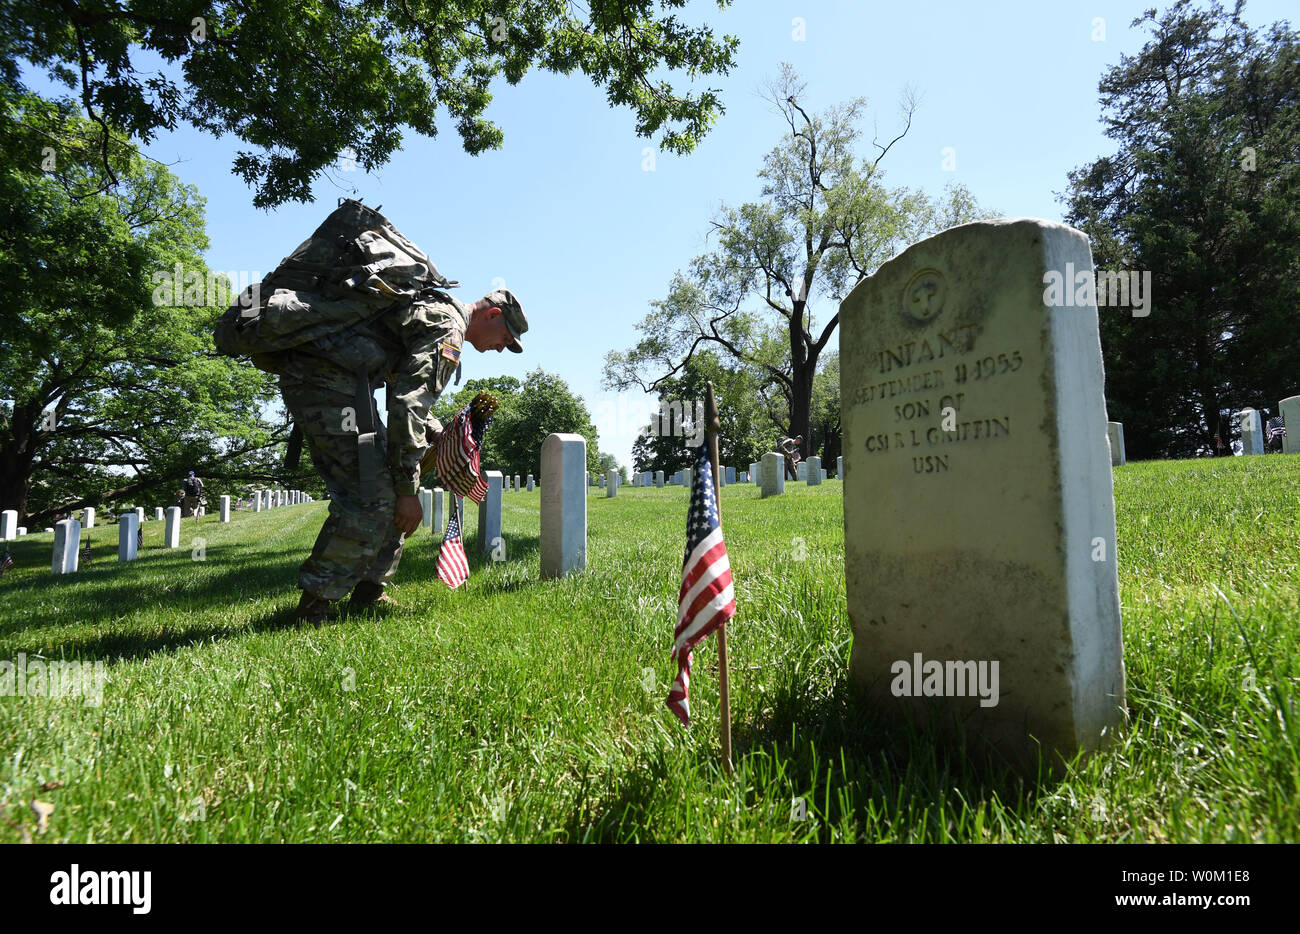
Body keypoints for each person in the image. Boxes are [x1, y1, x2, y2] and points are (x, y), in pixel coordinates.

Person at [278, 287, 527, 625]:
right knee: (375, 495)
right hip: (327, 386)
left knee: (389, 489)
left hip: (339, 387)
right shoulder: (449, 330)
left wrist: (436, 431)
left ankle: (369, 592)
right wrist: (408, 492)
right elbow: (407, 408)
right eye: (505, 338)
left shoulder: (436, 314)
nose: (501, 348)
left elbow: (401, 388)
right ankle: (313, 607)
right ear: (492, 314)